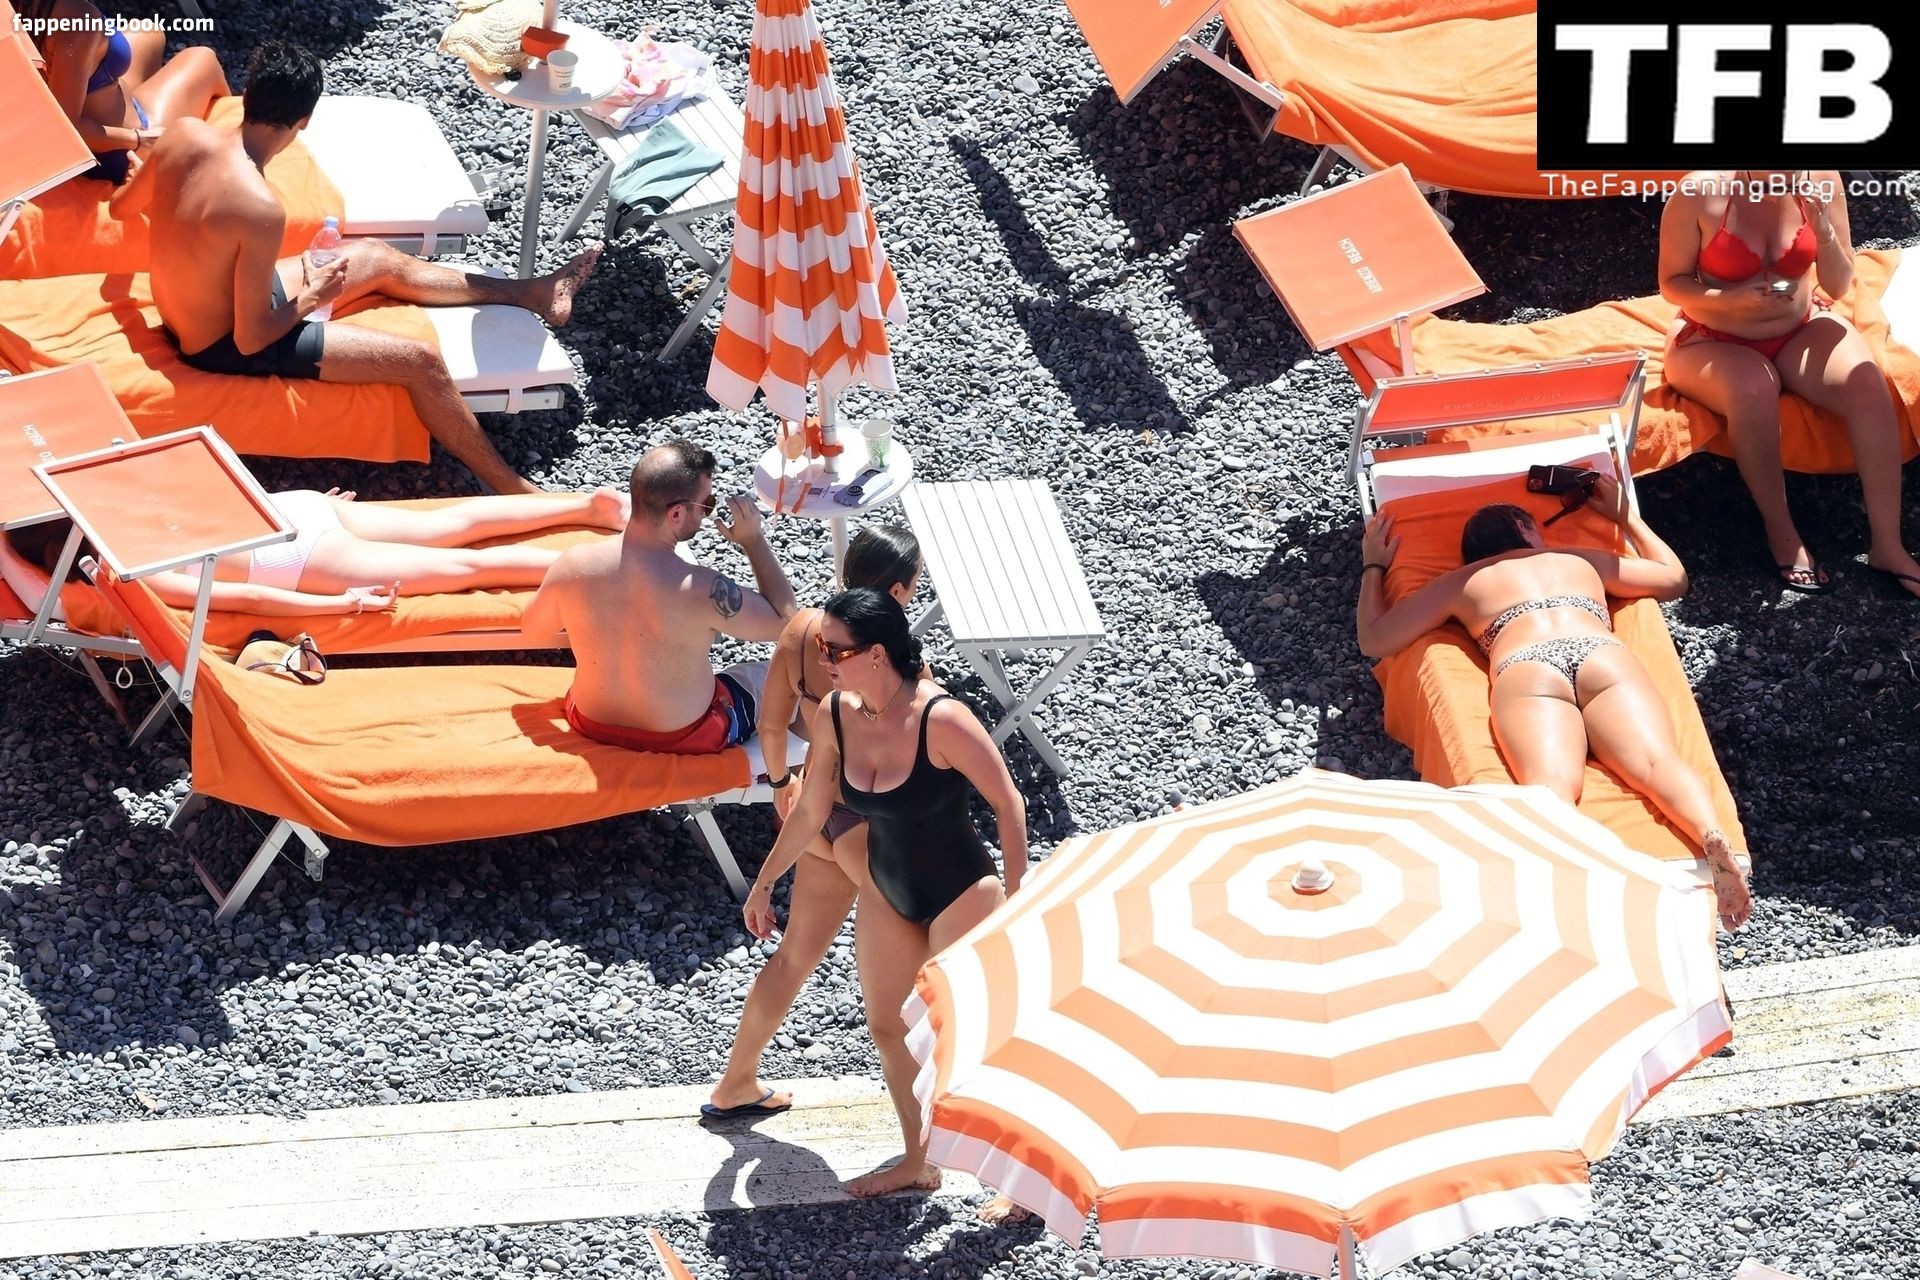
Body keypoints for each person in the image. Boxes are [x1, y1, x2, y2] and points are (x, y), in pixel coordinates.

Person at [108, 40, 601, 496]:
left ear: (248, 95)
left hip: (202, 308)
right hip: (219, 346)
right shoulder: (259, 207)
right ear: (303, 121)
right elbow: (251, 340)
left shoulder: (182, 135)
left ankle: (532, 293)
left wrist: (155, 181)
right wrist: (312, 296)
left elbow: (121, 209)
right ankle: (513, 487)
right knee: (421, 362)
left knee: (373, 255)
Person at [1355, 476, 1752, 931]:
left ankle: (1571, 884)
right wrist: (1627, 517)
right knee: (1657, 763)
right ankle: (1708, 832)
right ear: (1526, 531)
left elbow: (1374, 639)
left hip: (1528, 664)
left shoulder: (1462, 582)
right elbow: (1673, 579)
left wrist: (1374, 567)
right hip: (1599, 653)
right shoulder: (1575, 560)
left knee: (1551, 786)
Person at [743, 588, 1028, 1198]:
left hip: (961, 891)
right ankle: (918, 1161)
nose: (822, 659)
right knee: (890, 1028)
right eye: (821, 646)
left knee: (968, 1034)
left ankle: (1017, 1175)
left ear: (877, 653)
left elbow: (1009, 803)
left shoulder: (941, 717)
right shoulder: (836, 712)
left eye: (834, 650)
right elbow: (811, 807)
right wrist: (765, 882)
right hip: (887, 888)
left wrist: (1020, 895)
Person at [705, 526, 927, 1121]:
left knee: (795, 956)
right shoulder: (892, 661)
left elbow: (771, 724)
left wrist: (782, 784)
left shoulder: (806, 631)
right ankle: (933, 1116)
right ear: (899, 592)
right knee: (917, 966)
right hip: (865, 821)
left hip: (815, 810)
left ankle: (735, 1082)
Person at [1658, 169, 1920, 598]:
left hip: (1797, 326)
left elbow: (1838, 284)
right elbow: (1672, 283)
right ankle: (1782, 532)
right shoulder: (1700, 191)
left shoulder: (1822, 181)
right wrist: (1730, 299)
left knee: (1866, 380)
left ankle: (1888, 545)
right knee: (1754, 388)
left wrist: (1823, 229)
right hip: (1712, 337)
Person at [522, 440, 799, 754]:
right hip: (686, 737)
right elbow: (785, 623)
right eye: (706, 504)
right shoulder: (701, 589)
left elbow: (532, 631)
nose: (706, 514)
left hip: (591, 723)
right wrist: (753, 540)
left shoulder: (574, 565)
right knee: (792, 671)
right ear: (676, 513)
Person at [4, 487, 629, 617]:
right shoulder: (126, 501)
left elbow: (249, 597)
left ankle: (608, 567)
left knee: (468, 569)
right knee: (452, 523)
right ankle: (589, 506)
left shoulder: (129, 571)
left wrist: (340, 605)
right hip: (288, 506)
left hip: (301, 556)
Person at [18, 0, 229, 183]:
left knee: (148, 31)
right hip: (114, 151)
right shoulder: (78, 22)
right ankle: (236, 145)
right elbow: (66, 130)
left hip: (88, 97)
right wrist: (139, 139)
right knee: (204, 58)